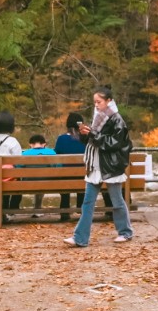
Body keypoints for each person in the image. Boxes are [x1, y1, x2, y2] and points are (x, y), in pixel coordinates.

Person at [64, 85, 134, 247]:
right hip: (96, 166)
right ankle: (80, 237)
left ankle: (125, 232)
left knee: (116, 202)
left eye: (99, 102)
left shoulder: (117, 119)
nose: (96, 105)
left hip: (110, 166)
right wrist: (85, 135)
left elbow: (115, 143)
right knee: (88, 203)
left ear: (109, 101)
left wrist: (92, 134)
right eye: (95, 102)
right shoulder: (99, 117)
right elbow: (94, 141)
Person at [54, 112, 110, 221]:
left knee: (65, 176)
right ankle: (81, 209)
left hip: (65, 178)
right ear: (81, 124)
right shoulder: (87, 138)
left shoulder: (61, 139)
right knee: (84, 175)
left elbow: (57, 156)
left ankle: (64, 212)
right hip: (85, 176)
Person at [21, 134, 57, 215]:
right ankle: (37, 209)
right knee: (43, 179)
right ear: (44, 144)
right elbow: (57, 167)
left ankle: (37, 209)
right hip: (48, 183)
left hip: (27, 183)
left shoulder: (25, 154)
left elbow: (18, 167)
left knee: (36, 180)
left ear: (30, 144)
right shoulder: (51, 152)